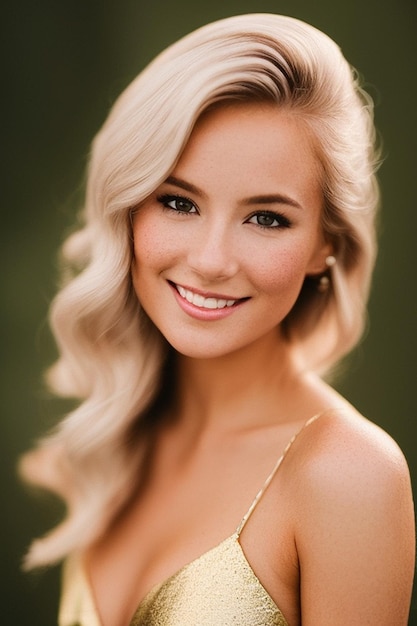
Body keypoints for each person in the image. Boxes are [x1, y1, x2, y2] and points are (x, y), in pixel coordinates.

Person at [21, 13, 415, 626]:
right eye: (178, 202)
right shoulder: (124, 437)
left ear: (324, 243)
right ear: (129, 208)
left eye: (266, 218)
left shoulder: (348, 474)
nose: (209, 261)